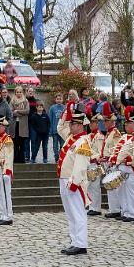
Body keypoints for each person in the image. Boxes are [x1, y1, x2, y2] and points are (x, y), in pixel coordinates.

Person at [57, 104, 94, 254]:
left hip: (74, 182)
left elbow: (80, 166)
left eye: (73, 123)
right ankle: (74, 240)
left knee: (78, 212)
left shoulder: (82, 142)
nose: (70, 125)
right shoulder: (72, 138)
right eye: (71, 123)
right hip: (64, 178)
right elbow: (60, 128)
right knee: (71, 213)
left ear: (80, 125)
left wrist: (74, 183)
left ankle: (81, 243)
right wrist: (66, 112)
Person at [29, 93, 50, 163]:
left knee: (45, 147)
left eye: (41, 107)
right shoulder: (34, 116)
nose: (40, 108)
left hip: (45, 134)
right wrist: (38, 130)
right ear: (36, 107)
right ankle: (33, 158)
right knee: (36, 147)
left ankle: (45, 158)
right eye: (39, 107)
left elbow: (48, 123)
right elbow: (33, 125)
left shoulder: (45, 115)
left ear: (43, 108)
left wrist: (47, 130)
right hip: (38, 134)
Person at [47, 96, 64, 162]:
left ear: (62, 100)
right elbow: (50, 120)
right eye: (57, 99)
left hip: (62, 130)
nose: (59, 100)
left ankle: (61, 156)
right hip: (55, 130)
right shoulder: (52, 108)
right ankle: (56, 156)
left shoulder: (64, 107)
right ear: (55, 100)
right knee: (55, 145)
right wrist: (50, 131)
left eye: (60, 99)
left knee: (62, 145)